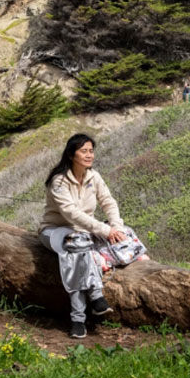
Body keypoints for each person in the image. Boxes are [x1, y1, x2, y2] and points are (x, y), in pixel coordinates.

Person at [39, 133, 126, 339]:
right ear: (71, 154)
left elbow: (108, 201)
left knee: (82, 249)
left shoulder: (93, 176)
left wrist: (115, 226)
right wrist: (104, 230)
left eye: (91, 151)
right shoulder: (58, 181)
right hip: (54, 230)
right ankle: (92, 299)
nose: (89, 155)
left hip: (84, 232)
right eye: (84, 151)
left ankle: (79, 319)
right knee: (78, 246)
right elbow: (71, 214)